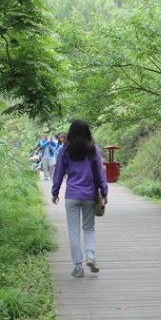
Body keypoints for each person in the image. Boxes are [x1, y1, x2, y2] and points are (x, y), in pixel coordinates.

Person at [51, 119, 108, 278]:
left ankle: (77, 267)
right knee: (89, 228)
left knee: (73, 231)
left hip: (72, 196)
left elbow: (59, 172)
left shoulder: (65, 150)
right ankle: (90, 255)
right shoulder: (93, 150)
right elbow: (100, 173)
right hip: (89, 195)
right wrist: (104, 192)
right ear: (87, 133)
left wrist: (55, 192)